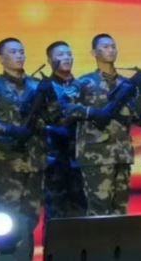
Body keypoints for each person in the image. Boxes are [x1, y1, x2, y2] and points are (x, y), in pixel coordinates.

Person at [70, 34, 141, 215]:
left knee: (121, 210)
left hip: (121, 153)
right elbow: (66, 107)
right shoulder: (83, 82)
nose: (111, 50)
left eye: (113, 46)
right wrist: (93, 113)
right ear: (93, 52)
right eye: (105, 47)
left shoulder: (125, 83)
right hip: (95, 154)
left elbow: (137, 114)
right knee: (99, 210)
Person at [0, 38, 53, 232]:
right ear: (0, 58)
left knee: (30, 219)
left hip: (35, 161)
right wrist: (9, 130)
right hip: (6, 162)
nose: (19, 56)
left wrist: (50, 95)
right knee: (5, 219)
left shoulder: (36, 85)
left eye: (21, 52)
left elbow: (54, 116)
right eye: (13, 52)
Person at [41, 40, 87, 220]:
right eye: (60, 55)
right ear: (49, 60)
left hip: (82, 157)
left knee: (82, 210)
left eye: (69, 54)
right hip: (55, 158)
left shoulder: (84, 86)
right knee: (55, 211)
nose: (66, 58)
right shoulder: (43, 87)